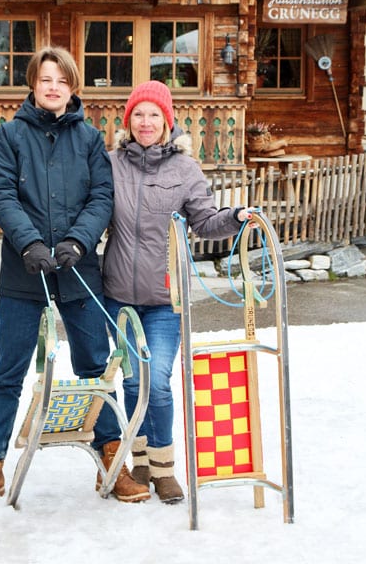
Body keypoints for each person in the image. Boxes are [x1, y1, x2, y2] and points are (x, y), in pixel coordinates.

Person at [0, 47, 150, 511]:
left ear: (72, 87)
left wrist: (79, 242)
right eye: (45, 79)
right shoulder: (9, 135)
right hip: (24, 272)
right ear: (33, 83)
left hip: (77, 270)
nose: (52, 87)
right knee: (8, 373)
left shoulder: (87, 139)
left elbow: (102, 196)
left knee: (95, 369)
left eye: (61, 80)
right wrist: (29, 243)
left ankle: (110, 458)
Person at [102, 80, 254, 504]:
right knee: (133, 385)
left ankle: (165, 468)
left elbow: (205, 221)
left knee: (161, 383)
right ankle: (141, 464)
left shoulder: (185, 170)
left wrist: (234, 216)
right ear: (128, 121)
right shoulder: (110, 163)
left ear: (167, 121)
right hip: (118, 293)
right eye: (138, 114)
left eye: (154, 114)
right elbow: (94, 211)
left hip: (166, 297)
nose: (146, 122)